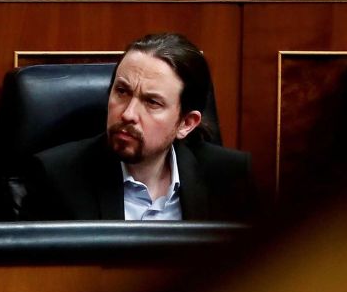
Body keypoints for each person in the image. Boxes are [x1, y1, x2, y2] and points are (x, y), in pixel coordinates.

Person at [21, 32, 254, 221]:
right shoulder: (56, 177)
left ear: (186, 123)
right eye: (122, 91)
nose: (128, 113)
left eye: (152, 102)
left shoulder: (229, 177)